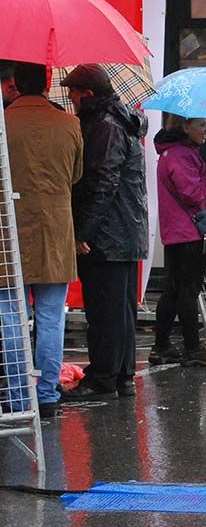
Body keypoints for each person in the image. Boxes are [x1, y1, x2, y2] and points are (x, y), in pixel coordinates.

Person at [62, 64, 149, 401]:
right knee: (122, 310)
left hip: (108, 234)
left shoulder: (104, 126)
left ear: (89, 94)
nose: (71, 99)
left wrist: (84, 231)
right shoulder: (123, 122)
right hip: (127, 230)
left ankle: (103, 378)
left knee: (104, 311)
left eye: (74, 93)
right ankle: (122, 376)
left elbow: (102, 182)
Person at [3, 62, 83, 418]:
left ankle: (18, 397)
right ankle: (47, 394)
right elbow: (77, 174)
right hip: (56, 228)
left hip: (9, 230)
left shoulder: (4, 123)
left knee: (10, 316)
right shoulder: (69, 124)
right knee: (52, 317)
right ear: (47, 83)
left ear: (15, 84)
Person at [151, 115, 206, 368]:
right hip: (189, 231)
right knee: (188, 290)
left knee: (173, 290)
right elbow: (193, 193)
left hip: (177, 230)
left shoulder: (173, 152)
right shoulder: (181, 155)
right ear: (185, 126)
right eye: (201, 125)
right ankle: (192, 348)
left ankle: (161, 345)